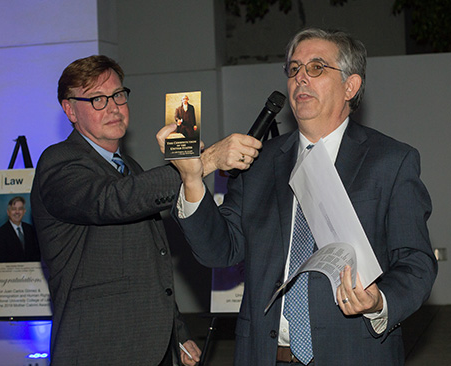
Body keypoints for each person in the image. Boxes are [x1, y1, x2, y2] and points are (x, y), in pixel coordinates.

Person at [157, 28, 437, 365]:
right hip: (265, 354)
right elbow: (220, 250)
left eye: (316, 68)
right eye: (293, 69)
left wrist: (380, 301)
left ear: (351, 86)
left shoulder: (390, 161)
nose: (300, 78)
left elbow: (416, 262)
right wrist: (191, 179)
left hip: (354, 353)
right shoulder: (260, 163)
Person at [30, 55, 201, 366]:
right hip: (99, 350)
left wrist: (177, 332)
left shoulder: (131, 169)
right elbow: (111, 201)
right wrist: (201, 166)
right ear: (70, 110)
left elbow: (151, 263)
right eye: (97, 99)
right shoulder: (58, 162)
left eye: (118, 95)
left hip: (153, 347)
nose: (113, 107)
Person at [0, 196, 40, 263]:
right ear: (8, 212)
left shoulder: (31, 230)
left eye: (20, 209)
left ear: (24, 211)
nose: (17, 212)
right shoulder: (0, 233)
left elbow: (36, 256)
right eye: (14, 209)